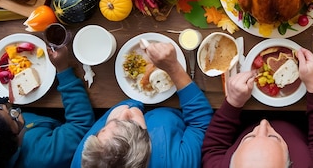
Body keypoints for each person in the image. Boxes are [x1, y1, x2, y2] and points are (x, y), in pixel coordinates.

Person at [72, 41, 213, 168]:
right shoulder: (178, 163)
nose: (124, 111)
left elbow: (128, 107)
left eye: (106, 127)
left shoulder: (89, 157)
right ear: (147, 147)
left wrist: (132, 105)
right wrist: (174, 68)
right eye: (131, 122)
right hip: (178, 111)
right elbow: (201, 123)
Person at [0, 47, 95, 168]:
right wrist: (64, 70)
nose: (5, 106)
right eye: (13, 116)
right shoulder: (42, 157)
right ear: (16, 142)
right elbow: (81, 124)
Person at [201, 47, 313, 167]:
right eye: (274, 137)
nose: (263, 123)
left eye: (249, 138)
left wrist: (233, 102)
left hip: (243, 116)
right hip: (302, 122)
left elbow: (213, 148)